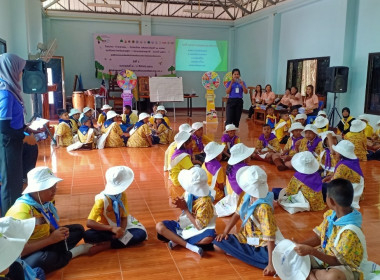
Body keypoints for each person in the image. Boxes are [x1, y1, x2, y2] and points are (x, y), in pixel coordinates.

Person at [6, 167, 93, 273]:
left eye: (55, 186)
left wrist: (58, 230)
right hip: (24, 254)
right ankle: (72, 253)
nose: (54, 190)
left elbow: (48, 220)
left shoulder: (45, 202)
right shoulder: (21, 212)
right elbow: (19, 251)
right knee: (44, 259)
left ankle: (59, 253)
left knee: (78, 229)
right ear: (36, 189)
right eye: (49, 188)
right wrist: (51, 240)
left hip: (45, 241)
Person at [294, 178, 364, 280]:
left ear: (331, 201)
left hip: (343, 266)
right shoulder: (330, 215)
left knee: (333, 277)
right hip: (325, 259)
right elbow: (319, 237)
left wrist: (312, 251)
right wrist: (300, 245)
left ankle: (311, 274)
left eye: (326, 196)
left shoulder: (350, 232)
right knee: (295, 258)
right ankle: (313, 274)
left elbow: (337, 261)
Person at [213, 166, 277, 276]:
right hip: (245, 237)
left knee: (266, 259)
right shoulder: (248, 196)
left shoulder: (264, 208)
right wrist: (225, 232)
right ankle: (249, 256)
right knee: (217, 244)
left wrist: (271, 264)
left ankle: (265, 259)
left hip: (262, 244)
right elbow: (236, 215)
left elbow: (270, 236)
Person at [84, 166, 147, 254]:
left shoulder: (123, 195)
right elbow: (89, 223)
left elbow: (124, 217)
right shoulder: (101, 199)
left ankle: (108, 245)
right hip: (106, 229)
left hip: (121, 227)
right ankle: (116, 242)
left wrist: (121, 230)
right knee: (88, 235)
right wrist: (111, 228)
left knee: (141, 234)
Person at [156, 167, 216, 256]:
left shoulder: (205, 202)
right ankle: (189, 246)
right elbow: (182, 202)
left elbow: (199, 226)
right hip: (185, 225)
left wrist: (185, 209)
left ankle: (177, 240)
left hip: (198, 228)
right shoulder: (189, 192)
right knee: (159, 227)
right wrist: (179, 203)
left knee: (208, 238)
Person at [0, 54, 27, 216]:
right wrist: (24, 135)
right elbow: (3, 126)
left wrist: (27, 128)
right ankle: (9, 226)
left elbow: (12, 121)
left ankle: (16, 217)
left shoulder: (11, 90)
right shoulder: (5, 93)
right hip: (8, 143)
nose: (21, 73)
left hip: (13, 140)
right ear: (11, 69)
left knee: (16, 181)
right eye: (20, 70)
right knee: (10, 185)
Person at [322, 140, 364, 209]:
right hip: (354, 188)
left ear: (341, 153)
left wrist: (327, 182)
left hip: (347, 192)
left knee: (320, 187)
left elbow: (334, 182)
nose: (335, 152)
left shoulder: (343, 166)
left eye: (337, 151)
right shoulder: (352, 161)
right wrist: (330, 177)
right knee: (323, 180)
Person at [168, 131, 194, 198]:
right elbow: (193, 170)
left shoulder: (177, 151)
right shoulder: (183, 156)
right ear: (184, 144)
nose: (192, 143)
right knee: (198, 169)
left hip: (174, 177)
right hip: (178, 181)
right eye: (190, 141)